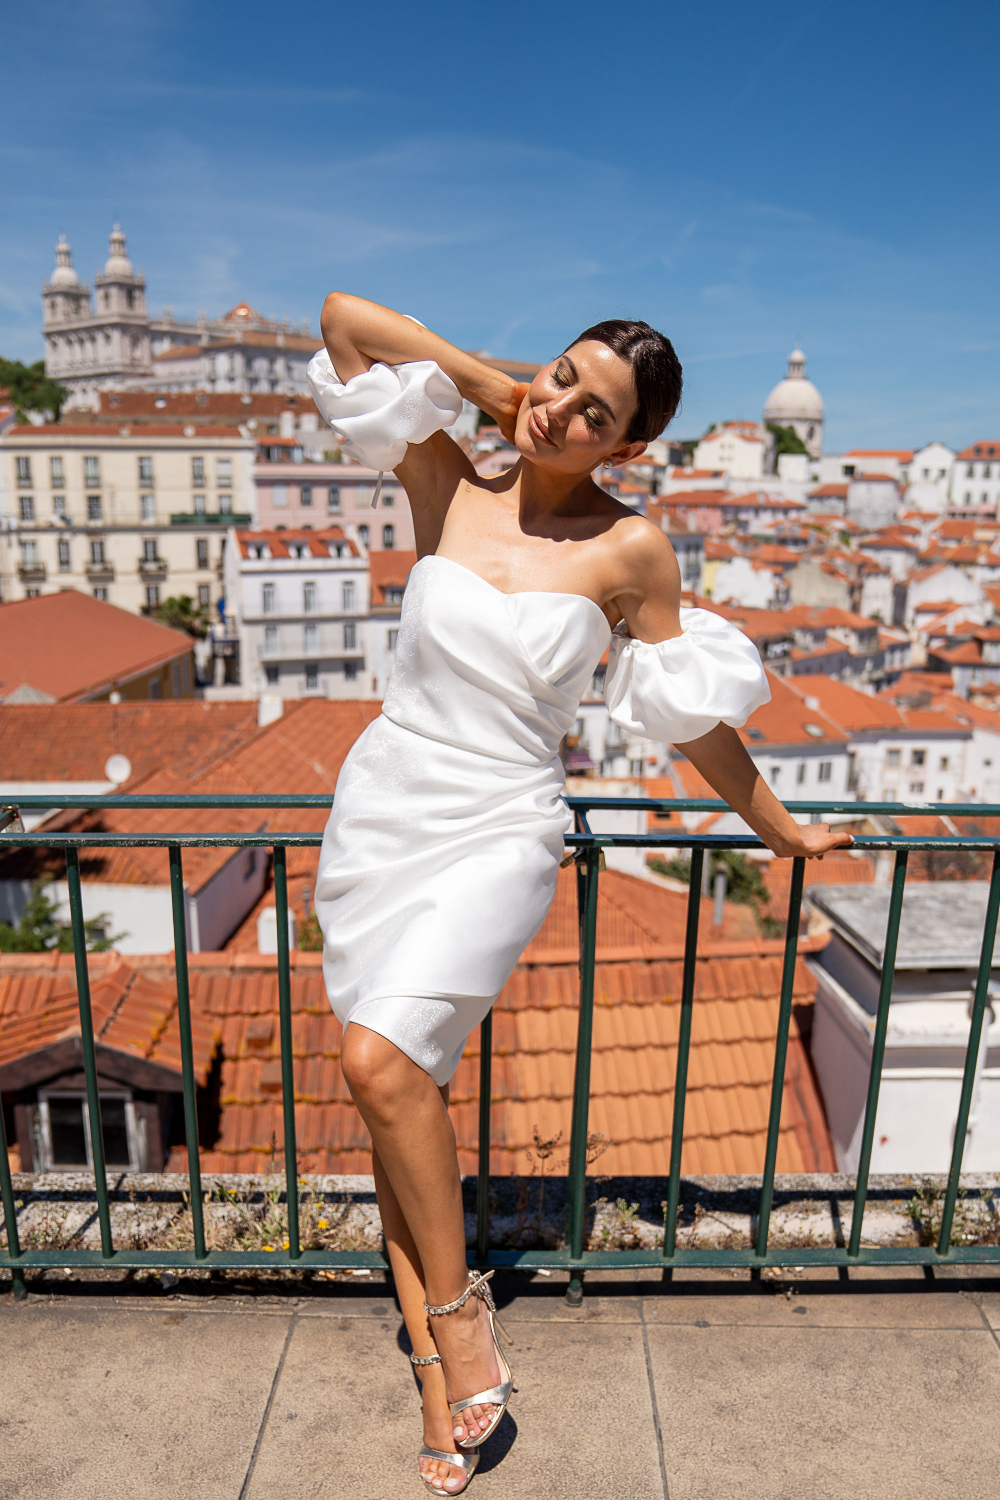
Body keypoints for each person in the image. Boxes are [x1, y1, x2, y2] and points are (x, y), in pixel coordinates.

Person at [311, 295, 852, 1493]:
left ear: (629, 446)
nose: (560, 410)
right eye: (560, 378)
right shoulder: (445, 477)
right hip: (386, 810)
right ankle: (437, 1384)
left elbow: (690, 718)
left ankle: (457, 1316)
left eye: (594, 412)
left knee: (378, 1064)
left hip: (501, 825)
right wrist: (491, 384)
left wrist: (778, 830)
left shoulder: (631, 550)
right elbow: (347, 322)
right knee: (395, 1099)